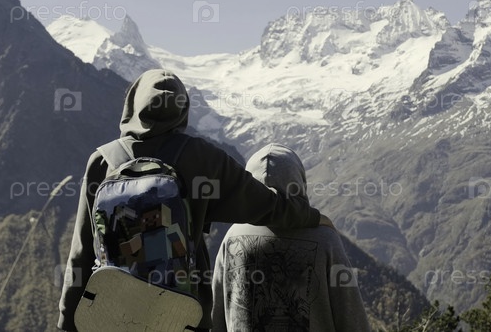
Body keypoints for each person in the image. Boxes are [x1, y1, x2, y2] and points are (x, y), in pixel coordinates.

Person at [58, 69, 331, 331]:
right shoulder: (203, 158)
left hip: (110, 311)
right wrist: (313, 218)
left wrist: (67, 321)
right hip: (181, 314)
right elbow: (268, 206)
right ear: (183, 109)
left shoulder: (102, 161)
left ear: (132, 105)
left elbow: (81, 251)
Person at [212, 143, 371, 332]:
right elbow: (351, 317)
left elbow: (217, 314)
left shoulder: (232, 236)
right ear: (299, 182)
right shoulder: (325, 240)